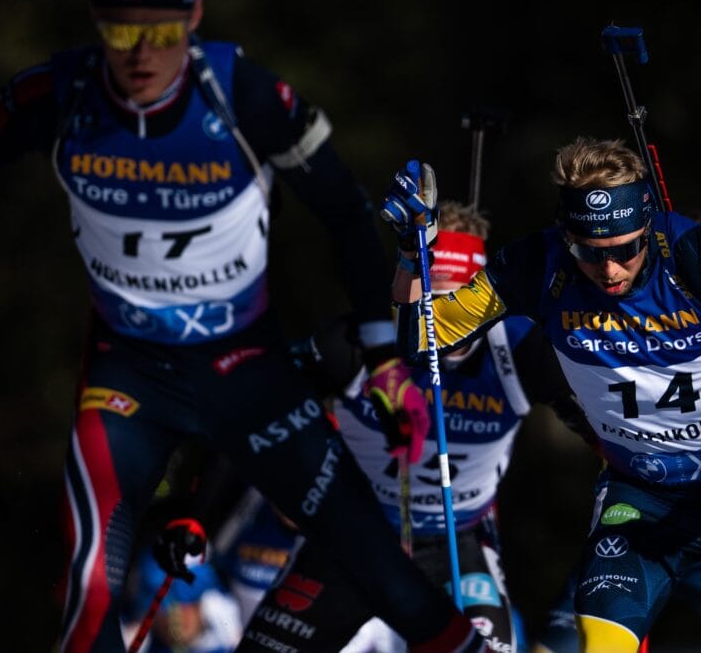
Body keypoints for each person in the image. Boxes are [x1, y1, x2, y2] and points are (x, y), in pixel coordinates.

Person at [0, 0, 485, 651]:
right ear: (98, 25)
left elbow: (344, 212)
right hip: (128, 373)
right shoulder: (59, 95)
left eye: (161, 34)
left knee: (380, 564)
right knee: (90, 578)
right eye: (122, 33)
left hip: (242, 367)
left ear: (195, 19)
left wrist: (385, 358)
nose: (140, 56)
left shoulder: (243, 94)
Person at [380, 137, 701, 652]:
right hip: (643, 496)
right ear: (566, 235)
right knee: (600, 640)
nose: (608, 269)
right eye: (588, 252)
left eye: (625, 249)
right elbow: (421, 338)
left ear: (648, 224)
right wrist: (411, 254)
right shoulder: (536, 266)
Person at [237, 200, 600, 652]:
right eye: (427, 298)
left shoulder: (520, 349)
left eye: (455, 298)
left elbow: (603, 429)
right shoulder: (355, 343)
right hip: (354, 538)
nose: (437, 318)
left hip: (457, 545)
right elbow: (252, 407)